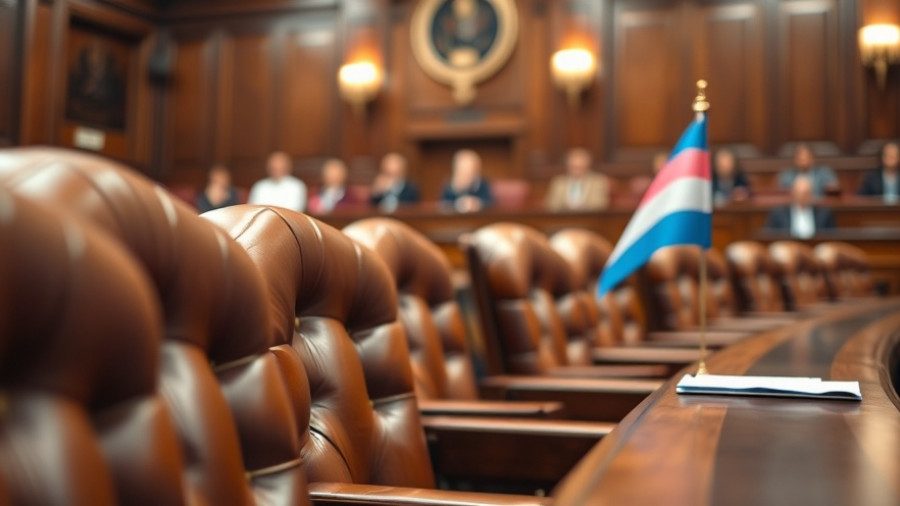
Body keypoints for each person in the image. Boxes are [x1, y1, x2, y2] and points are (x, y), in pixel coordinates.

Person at [765, 176, 835, 239]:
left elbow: (834, 236)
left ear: (811, 194)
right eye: (800, 193)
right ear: (793, 193)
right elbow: (768, 235)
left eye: (806, 193)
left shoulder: (823, 213)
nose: (802, 197)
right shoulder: (779, 213)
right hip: (788, 248)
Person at [545, 148, 610, 211]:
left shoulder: (598, 181)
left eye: (579, 167)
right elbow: (551, 205)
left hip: (589, 220)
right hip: (563, 220)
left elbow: (599, 205)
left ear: (587, 166)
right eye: (573, 167)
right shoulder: (558, 182)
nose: (576, 171)